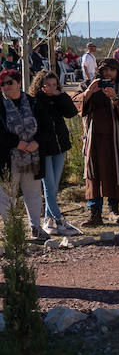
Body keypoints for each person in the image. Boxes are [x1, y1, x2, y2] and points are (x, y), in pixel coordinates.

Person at [73, 58, 119, 225]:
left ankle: (114, 210)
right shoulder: (88, 84)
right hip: (94, 139)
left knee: (115, 172)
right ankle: (95, 213)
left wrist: (115, 98)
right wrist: (88, 93)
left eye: (112, 70)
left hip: (116, 140)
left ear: (117, 71)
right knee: (93, 174)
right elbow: (75, 104)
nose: (108, 73)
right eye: (104, 70)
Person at [0, 68, 53, 239]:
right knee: (7, 196)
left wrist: (36, 142)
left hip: (33, 157)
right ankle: (13, 232)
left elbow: (47, 127)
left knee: (33, 193)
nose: (5, 86)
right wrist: (17, 143)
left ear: (19, 83)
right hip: (8, 158)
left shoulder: (33, 102)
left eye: (9, 82)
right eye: (2, 84)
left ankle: (36, 227)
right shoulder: (0, 105)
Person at [29, 70, 79, 235]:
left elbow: (71, 112)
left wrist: (60, 95)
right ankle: (60, 221)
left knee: (53, 187)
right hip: (43, 150)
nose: (51, 87)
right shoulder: (34, 102)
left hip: (60, 148)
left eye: (54, 84)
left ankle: (47, 221)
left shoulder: (58, 99)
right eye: (47, 84)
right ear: (40, 85)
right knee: (49, 187)